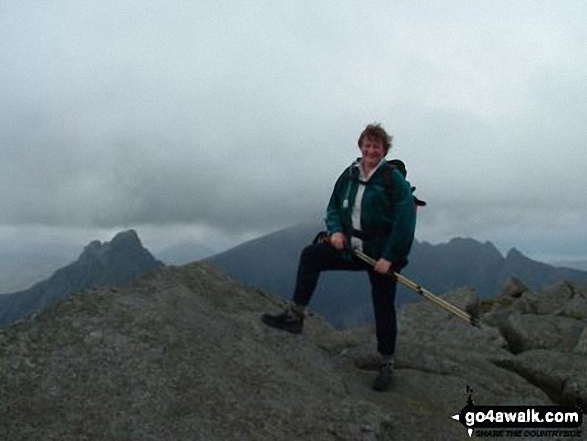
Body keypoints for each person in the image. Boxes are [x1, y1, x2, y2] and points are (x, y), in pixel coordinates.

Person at [261, 123, 417, 391]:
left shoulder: (394, 181)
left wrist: (389, 258)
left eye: (376, 146)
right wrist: (334, 231)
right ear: (360, 146)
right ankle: (294, 316)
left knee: (383, 305)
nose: (371, 150)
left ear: (384, 150)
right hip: (350, 248)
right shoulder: (349, 175)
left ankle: (386, 364)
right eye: (367, 145)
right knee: (311, 256)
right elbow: (333, 206)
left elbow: (405, 223)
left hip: (380, 256)